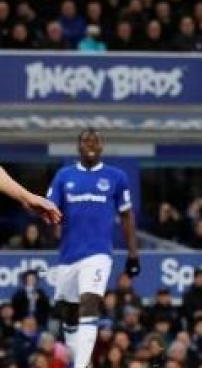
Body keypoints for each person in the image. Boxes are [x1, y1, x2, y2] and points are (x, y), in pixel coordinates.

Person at [46, 129, 140, 368]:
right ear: (78, 146)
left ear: (102, 146)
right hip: (68, 255)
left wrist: (133, 254)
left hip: (98, 253)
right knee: (69, 312)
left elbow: (127, 215)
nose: (90, 144)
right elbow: (50, 209)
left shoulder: (116, 176)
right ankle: (81, 361)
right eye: (86, 141)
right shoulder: (64, 176)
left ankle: (80, 366)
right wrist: (52, 223)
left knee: (89, 301)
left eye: (95, 141)